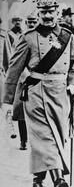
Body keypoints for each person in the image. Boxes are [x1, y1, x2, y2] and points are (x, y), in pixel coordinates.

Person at [1, 0, 74, 187]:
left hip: (61, 95)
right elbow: (13, 71)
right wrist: (7, 101)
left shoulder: (68, 37)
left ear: (57, 13)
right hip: (36, 95)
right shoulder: (28, 38)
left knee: (57, 138)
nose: (47, 16)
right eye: (43, 13)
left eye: (51, 12)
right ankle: (59, 181)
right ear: (38, 14)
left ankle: (38, 178)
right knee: (45, 138)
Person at [10, 10, 39, 151]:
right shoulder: (21, 38)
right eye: (30, 22)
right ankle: (23, 140)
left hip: (38, 80)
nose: (32, 24)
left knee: (36, 112)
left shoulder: (40, 37)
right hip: (23, 79)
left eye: (34, 21)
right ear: (26, 23)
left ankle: (36, 140)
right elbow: (15, 61)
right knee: (21, 111)